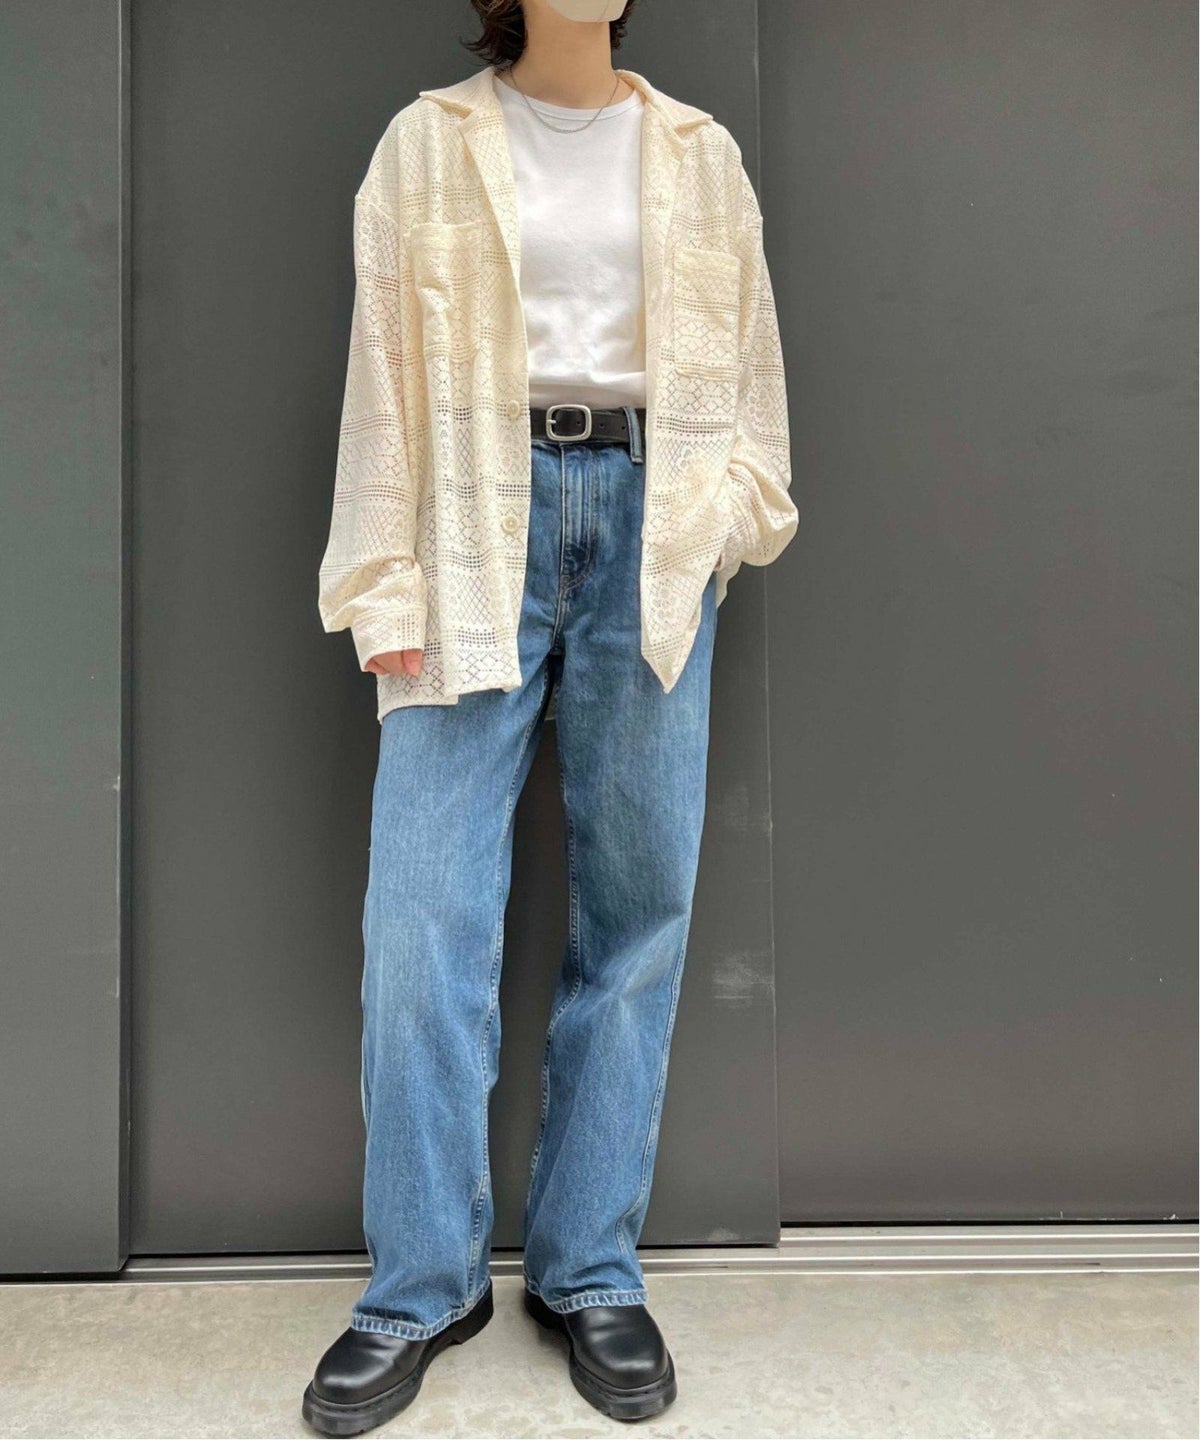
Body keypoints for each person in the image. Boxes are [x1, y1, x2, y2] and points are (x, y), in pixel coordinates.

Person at [304, 0, 797, 1431]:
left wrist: (721, 523)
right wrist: (381, 577)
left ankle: (589, 1271)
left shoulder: (697, 150)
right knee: (422, 924)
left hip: (650, 525)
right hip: (473, 524)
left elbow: (750, 372)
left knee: (637, 914)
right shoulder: (427, 143)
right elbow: (382, 376)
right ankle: (421, 1283)